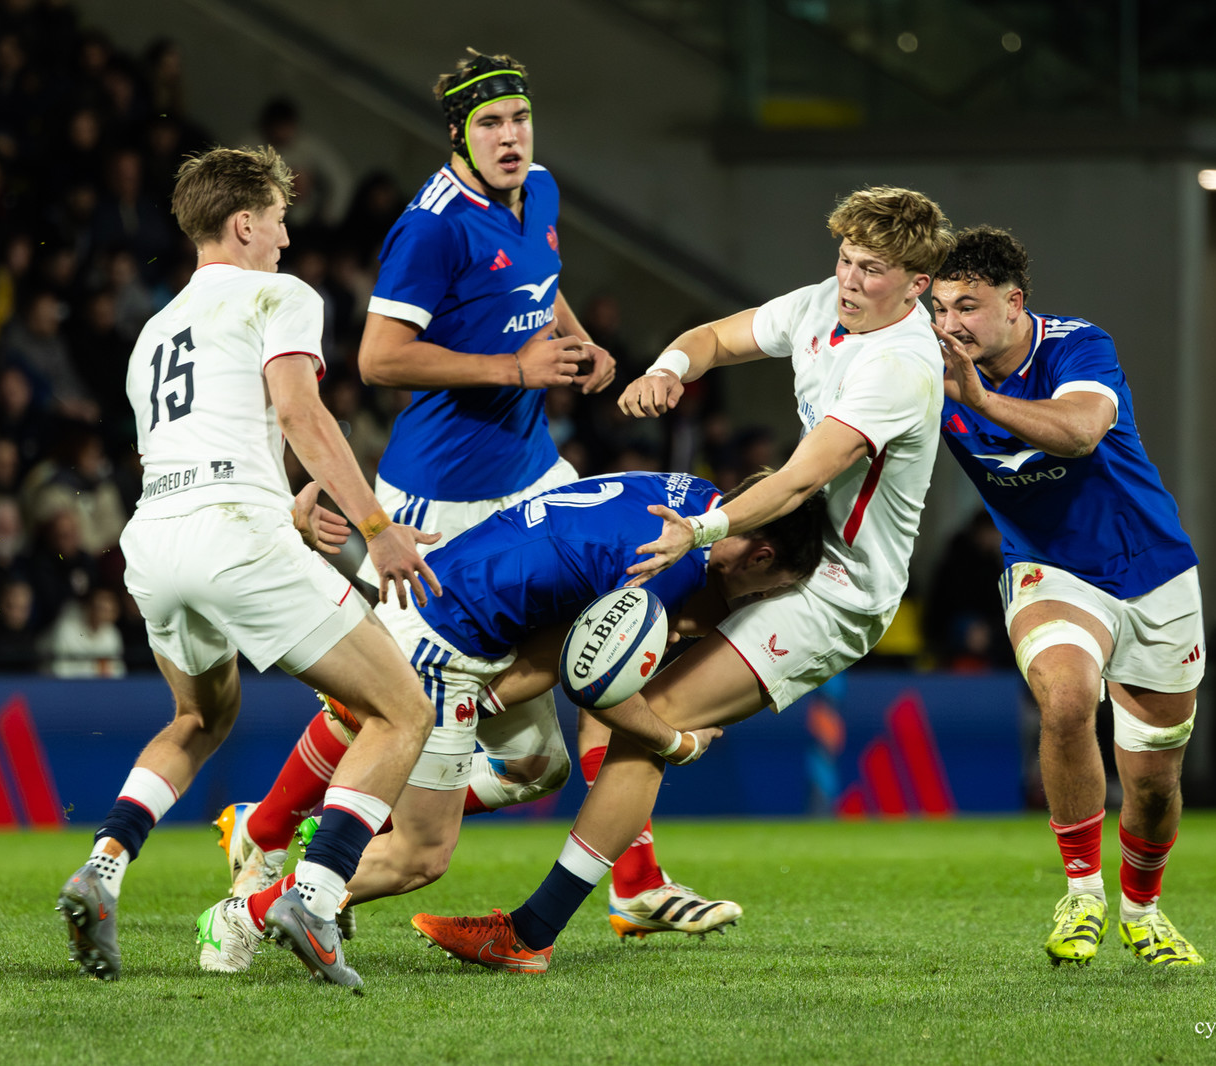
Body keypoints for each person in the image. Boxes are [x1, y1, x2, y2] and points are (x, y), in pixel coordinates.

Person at [221, 50, 724, 936]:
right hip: (439, 501)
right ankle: (272, 831)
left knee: (616, 638)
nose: (510, 137)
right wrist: (515, 366)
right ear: (457, 135)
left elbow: (539, 284)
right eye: (490, 124)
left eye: (520, 119)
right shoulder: (431, 226)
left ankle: (633, 880)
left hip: (534, 475)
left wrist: (575, 342)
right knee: (384, 705)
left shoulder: (543, 191)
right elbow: (377, 358)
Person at [410, 185, 953, 972]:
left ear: (918, 285)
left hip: (829, 589)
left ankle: (529, 931)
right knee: (605, 675)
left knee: (642, 712)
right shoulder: (824, 307)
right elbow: (710, 338)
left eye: (872, 270)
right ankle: (625, 879)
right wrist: (669, 367)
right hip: (769, 553)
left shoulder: (901, 363)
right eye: (844, 260)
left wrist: (700, 533)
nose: (849, 281)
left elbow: (801, 481)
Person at [54, 145, 440, 990]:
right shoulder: (281, 295)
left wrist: (288, 503)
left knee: (198, 718)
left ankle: (105, 867)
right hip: (233, 535)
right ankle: (318, 889)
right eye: (276, 220)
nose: (287, 237)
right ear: (243, 223)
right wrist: (376, 527)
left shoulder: (153, 332)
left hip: (156, 536)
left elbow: (203, 444)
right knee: (402, 708)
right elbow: (299, 410)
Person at [195, 470, 827, 973]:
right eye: (769, 590)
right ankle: (245, 915)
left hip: (462, 612)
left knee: (537, 765)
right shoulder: (672, 564)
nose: (758, 603)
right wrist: (677, 741)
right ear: (760, 555)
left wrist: (495, 698)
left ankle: (340, 830)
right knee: (422, 857)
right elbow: (597, 687)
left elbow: (566, 623)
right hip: (443, 646)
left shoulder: (685, 495)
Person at [926, 226, 1205, 967]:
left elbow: (1081, 431)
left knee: (1152, 781)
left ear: (1014, 304)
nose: (949, 325)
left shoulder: (1077, 345)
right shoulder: (927, 364)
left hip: (1154, 571)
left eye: (968, 306)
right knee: (1067, 698)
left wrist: (978, 398)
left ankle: (1143, 910)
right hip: (1048, 568)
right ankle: (1083, 895)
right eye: (939, 306)